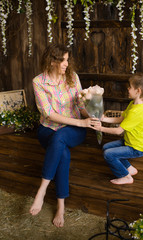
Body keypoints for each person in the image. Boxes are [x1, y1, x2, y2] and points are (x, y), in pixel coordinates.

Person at [29, 43, 99, 227]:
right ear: (52, 61)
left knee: (60, 139)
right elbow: (49, 114)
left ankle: (42, 189)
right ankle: (61, 205)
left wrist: (92, 117)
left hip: (73, 130)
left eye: (67, 60)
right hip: (48, 128)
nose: (66, 64)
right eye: (63, 60)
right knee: (62, 151)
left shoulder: (72, 77)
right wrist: (81, 122)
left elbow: (81, 105)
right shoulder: (39, 82)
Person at [93, 74, 143, 185]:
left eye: (130, 87)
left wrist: (100, 128)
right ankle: (129, 168)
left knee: (108, 154)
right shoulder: (133, 104)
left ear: (138, 91)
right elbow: (121, 118)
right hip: (130, 141)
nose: (128, 89)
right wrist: (104, 118)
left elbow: (118, 131)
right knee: (106, 147)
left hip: (137, 147)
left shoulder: (136, 112)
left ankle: (125, 176)